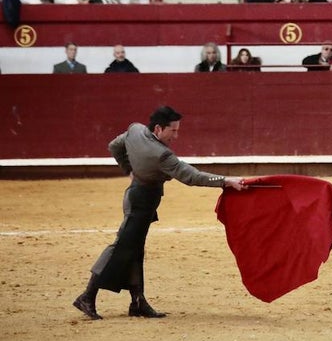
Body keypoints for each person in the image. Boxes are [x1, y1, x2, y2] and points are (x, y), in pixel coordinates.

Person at [72, 106, 248, 320]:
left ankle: (138, 302)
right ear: (158, 128)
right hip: (141, 202)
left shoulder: (136, 130)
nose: (176, 136)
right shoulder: (162, 155)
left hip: (137, 196)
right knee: (121, 247)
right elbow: (191, 176)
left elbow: (114, 146)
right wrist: (225, 181)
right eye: (173, 131)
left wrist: (129, 170)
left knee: (135, 249)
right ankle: (87, 296)